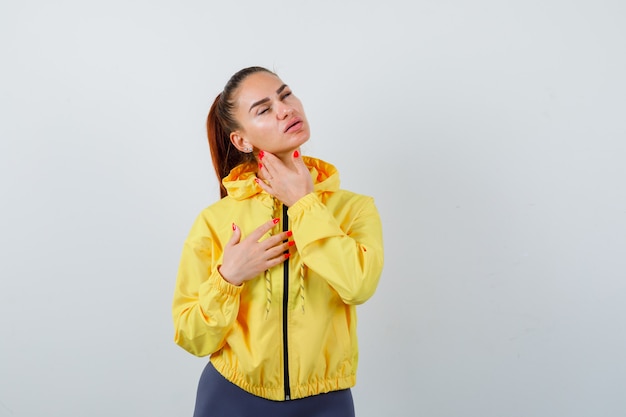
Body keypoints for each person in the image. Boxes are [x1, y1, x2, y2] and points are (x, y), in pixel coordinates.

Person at [172, 66, 384, 417]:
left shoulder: (355, 209)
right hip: (230, 398)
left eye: (285, 95)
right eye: (264, 109)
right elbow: (192, 336)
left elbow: (358, 286)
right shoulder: (215, 221)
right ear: (241, 140)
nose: (285, 109)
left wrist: (304, 205)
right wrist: (229, 277)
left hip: (326, 402)